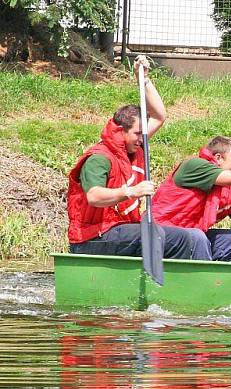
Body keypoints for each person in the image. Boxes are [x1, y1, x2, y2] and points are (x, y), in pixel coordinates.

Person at [67, 55, 194, 259]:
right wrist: (131, 191)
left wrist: (143, 79)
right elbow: (94, 196)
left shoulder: (134, 146)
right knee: (161, 235)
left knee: (185, 237)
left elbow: (160, 116)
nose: (142, 138)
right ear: (120, 131)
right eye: (137, 133)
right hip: (92, 238)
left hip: (120, 231)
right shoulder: (99, 158)